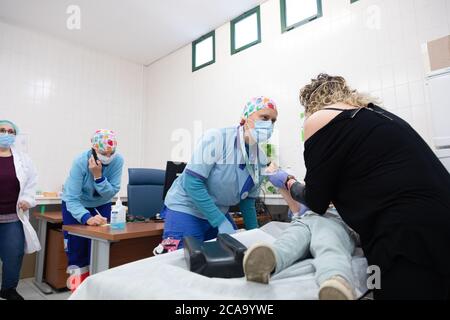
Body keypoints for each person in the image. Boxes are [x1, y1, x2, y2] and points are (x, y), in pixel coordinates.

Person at [270, 74, 450, 300]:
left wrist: (288, 181)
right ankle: (276, 257)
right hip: (440, 215)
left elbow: (316, 200)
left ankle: (333, 276)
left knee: (329, 243)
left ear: (311, 104)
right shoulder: (376, 114)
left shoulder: (319, 118)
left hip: (404, 230)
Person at [160, 96, 278, 249]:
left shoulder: (261, 159)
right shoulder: (218, 139)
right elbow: (192, 182)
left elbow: (247, 201)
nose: (269, 124)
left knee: (234, 256)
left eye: (273, 120)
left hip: (218, 213)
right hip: (187, 208)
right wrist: (220, 221)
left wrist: (254, 235)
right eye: (264, 117)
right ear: (246, 117)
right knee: (184, 262)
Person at [243, 163, 359, 300]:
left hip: (336, 222)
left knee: (328, 244)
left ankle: (336, 280)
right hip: (306, 219)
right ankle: (266, 261)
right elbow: (297, 210)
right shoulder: (315, 191)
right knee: (289, 241)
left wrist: (288, 181)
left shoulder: (353, 194)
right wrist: (280, 181)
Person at [62, 129, 123, 289]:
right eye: (104, 153)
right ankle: (76, 291)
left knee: (100, 247)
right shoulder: (80, 162)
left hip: (102, 204)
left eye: (111, 152)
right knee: (77, 249)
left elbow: (112, 191)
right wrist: (86, 218)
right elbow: (72, 198)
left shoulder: (118, 160)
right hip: (76, 205)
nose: (108, 157)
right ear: (94, 148)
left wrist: (98, 176)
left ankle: (96, 290)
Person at [0, 120, 40, 300]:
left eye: (10, 131)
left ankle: (8, 289)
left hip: (13, 217)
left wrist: (26, 200)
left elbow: (31, 184)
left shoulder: (24, 160)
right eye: (2, 130)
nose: (6, 134)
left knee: (13, 255)